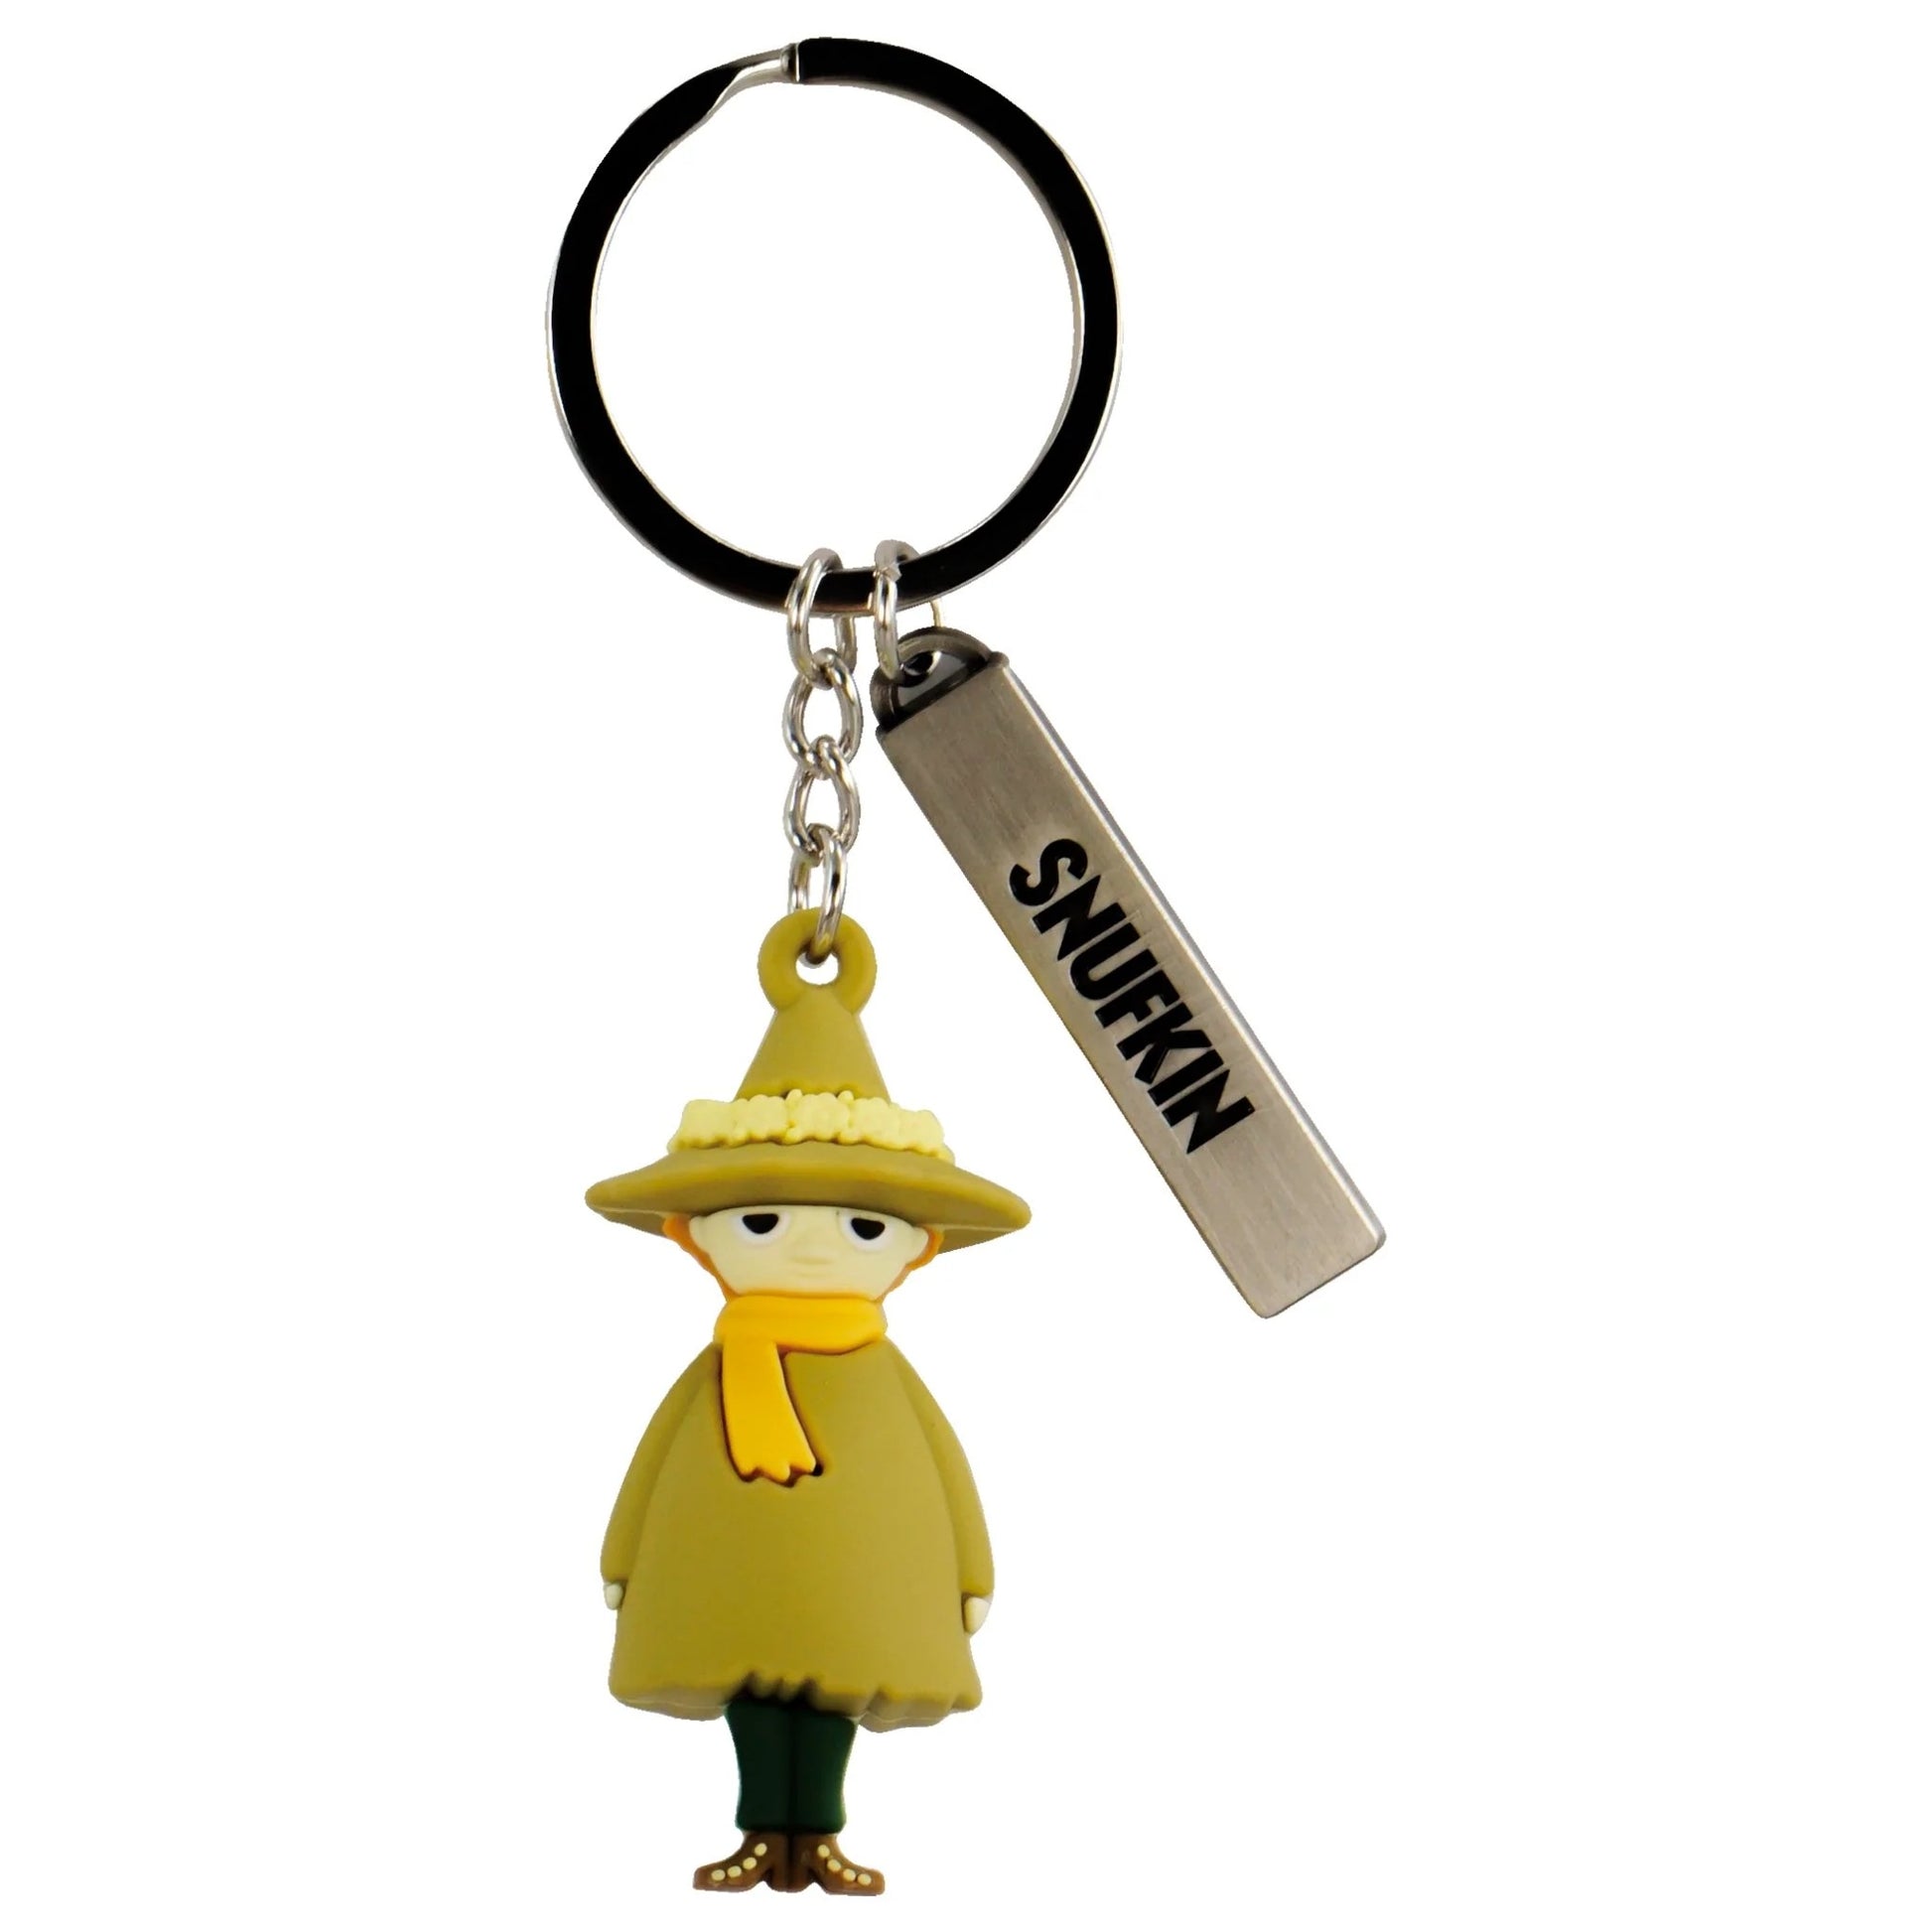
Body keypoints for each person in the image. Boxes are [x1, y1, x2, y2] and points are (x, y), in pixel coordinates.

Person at [587, 912, 1030, 1894]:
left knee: (831, 1692)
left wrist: (970, 1568)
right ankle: (763, 1830)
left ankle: (815, 1832)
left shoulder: (883, 1376)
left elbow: (944, 1464)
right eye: (761, 1220)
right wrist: (622, 1557)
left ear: (918, 1247)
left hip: (852, 1584)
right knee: (752, 1690)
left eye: (864, 1226)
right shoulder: (714, 1374)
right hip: (727, 1573)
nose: (817, 1247)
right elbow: (655, 1460)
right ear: (692, 1235)